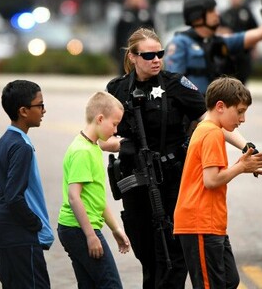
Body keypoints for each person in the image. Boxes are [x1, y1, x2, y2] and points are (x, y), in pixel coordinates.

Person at [102, 27, 251, 289]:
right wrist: (120, 144)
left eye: (159, 53)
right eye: (148, 56)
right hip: (136, 184)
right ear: (133, 57)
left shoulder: (174, 84)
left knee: (173, 255)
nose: (156, 59)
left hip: (172, 183)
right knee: (147, 253)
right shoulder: (117, 89)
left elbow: (212, 120)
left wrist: (245, 146)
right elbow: (101, 136)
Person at [173, 77, 262, 289]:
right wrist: (241, 167)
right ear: (220, 106)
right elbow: (211, 181)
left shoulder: (208, 130)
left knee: (229, 281)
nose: (242, 119)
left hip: (211, 224)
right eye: (239, 111)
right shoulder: (212, 134)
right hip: (200, 223)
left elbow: (212, 175)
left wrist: (243, 164)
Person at [57, 91, 131, 288]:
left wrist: (115, 229)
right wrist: (90, 235)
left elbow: (96, 199)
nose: (116, 131)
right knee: (111, 284)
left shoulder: (93, 147)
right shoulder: (82, 151)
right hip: (79, 229)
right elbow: (74, 197)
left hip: (77, 228)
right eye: (114, 124)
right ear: (100, 118)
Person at [0, 80, 54, 288]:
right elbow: (14, 196)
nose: (44, 110)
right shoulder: (21, 147)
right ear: (24, 111)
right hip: (19, 233)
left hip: (6, 228)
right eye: (40, 105)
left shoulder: (7, 138)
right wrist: (35, 224)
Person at [163, 0, 262, 93]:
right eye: (211, 11)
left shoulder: (218, 42)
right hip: (192, 118)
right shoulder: (180, 44)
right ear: (197, 17)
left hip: (214, 112)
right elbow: (174, 85)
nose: (217, 14)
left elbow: (257, 34)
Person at [219, 0, 259, 84]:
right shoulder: (226, 13)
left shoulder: (246, 12)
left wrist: (255, 48)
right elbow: (219, 29)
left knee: (242, 77)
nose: (234, 0)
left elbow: (255, 30)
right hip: (230, 52)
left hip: (244, 50)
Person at [113, 0, 155, 74]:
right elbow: (118, 38)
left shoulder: (146, 16)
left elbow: (153, 34)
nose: (136, 1)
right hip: (127, 54)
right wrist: (119, 54)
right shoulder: (125, 17)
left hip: (145, 54)